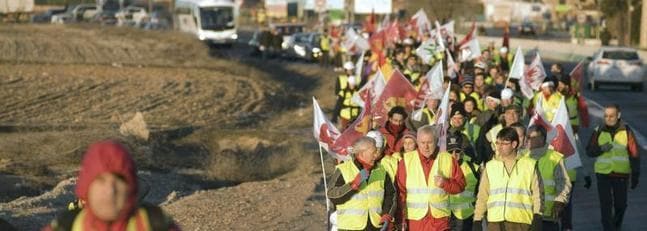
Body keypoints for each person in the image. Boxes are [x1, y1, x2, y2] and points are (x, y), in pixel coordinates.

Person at [43, 141, 181, 231]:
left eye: (119, 179)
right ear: (86, 187)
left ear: (131, 187)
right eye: (101, 180)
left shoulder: (154, 223)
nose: (110, 190)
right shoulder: (65, 225)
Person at [396, 125, 466, 231]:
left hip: (440, 221)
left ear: (436, 141)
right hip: (416, 221)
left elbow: (461, 185)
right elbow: (400, 193)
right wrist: (400, 219)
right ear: (417, 143)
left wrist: (445, 183)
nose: (426, 147)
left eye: (429, 142)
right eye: (422, 143)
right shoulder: (406, 161)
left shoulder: (448, 159)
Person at [472, 127, 543, 231]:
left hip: (521, 223)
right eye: (497, 143)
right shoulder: (490, 166)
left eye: (504, 144)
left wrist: (537, 216)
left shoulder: (529, 165)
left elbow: (538, 195)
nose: (499, 147)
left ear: (514, 144)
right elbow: (482, 195)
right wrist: (477, 219)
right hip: (495, 223)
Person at [586, 104, 640, 231]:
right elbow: (589, 151)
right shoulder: (598, 130)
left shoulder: (627, 131)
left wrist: (636, 175)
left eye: (611, 116)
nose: (608, 118)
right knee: (606, 205)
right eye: (606, 116)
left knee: (621, 205)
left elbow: (634, 154)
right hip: (603, 174)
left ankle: (615, 226)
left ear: (618, 115)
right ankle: (608, 228)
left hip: (621, 175)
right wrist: (601, 149)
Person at [328, 137, 397, 231]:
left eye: (376, 152)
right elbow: (332, 196)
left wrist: (386, 213)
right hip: (350, 228)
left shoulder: (381, 170)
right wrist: (353, 185)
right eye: (373, 152)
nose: (376, 155)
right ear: (361, 153)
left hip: (375, 227)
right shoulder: (343, 169)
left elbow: (391, 195)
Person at [526, 125, 572, 230]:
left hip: (547, 215)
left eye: (532, 137)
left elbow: (564, 183)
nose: (527, 140)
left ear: (542, 138)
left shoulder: (555, 158)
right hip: (527, 215)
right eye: (527, 137)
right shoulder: (523, 158)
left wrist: (560, 201)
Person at [447, 135, 480, 231]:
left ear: (461, 151)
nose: (454, 154)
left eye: (457, 151)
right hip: (445, 216)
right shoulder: (440, 168)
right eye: (450, 151)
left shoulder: (474, 168)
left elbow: (481, 194)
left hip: (466, 217)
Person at [333, 61, 361, 129]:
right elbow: (337, 92)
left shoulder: (358, 78)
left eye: (351, 69)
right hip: (344, 109)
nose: (350, 71)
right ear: (345, 70)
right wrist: (336, 114)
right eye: (349, 70)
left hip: (355, 112)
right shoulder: (340, 78)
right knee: (344, 129)